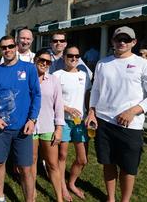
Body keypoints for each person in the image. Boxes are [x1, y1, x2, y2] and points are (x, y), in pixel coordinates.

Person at [85, 26, 147, 202]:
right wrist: (91, 112)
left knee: (128, 168)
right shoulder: (102, 63)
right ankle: (111, 198)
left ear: (134, 42)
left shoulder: (143, 64)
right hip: (104, 122)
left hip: (130, 124)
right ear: (112, 41)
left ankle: (125, 200)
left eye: (126, 39)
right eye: (118, 39)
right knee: (108, 163)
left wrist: (133, 111)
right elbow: (96, 90)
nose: (122, 42)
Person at [0, 35, 41, 202]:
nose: (7, 50)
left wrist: (32, 119)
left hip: (23, 127)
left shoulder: (29, 68)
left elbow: (36, 95)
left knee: (26, 168)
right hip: (0, 128)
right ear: (0, 49)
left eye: (10, 46)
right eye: (4, 47)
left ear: (16, 47)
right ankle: (0, 196)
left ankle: (29, 200)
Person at [53, 46, 91, 201]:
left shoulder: (85, 75)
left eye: (77, 56)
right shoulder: (57, 75)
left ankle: (72, 183)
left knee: (82, 159)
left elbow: (88, 98)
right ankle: (62, 187)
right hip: (63, 121)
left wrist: (91, 115)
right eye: (70, 56)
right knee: (62, 156)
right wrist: (67, 108)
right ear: (64, 57)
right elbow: (52, 99)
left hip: (80, 122)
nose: (74, 59)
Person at [31, 48, 64, 202]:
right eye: (41, 60)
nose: (44, 63)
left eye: (48, 61)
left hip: (47, 126)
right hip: (30, 127)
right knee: (31, 162)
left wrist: (59, 128)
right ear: (35, 60)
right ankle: (32, 193)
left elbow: (59, 106)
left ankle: (59, 197)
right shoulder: (27, 79)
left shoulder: (54, 80)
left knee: (53, 164)